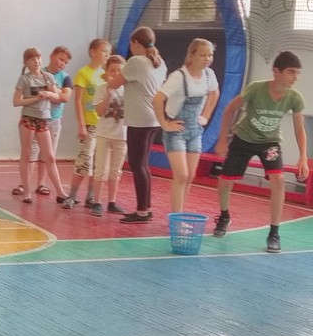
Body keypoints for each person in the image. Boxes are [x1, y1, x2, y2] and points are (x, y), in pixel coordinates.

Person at [212, 51, 308, 253]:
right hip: (243, 138)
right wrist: (221, 140)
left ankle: (274, 232)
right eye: (291, 72)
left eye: (297, 73)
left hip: (269, 143)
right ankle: (224, 215)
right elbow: (229, 109)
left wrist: (303, 158)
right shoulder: (256, 89)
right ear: (276, 72)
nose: (295, 77)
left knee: (278, 180)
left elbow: (300, 129)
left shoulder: (294, 97)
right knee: (225, 181)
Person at [108, 26, 167, 223]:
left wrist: (107, 77)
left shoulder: (136, 61)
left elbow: (115, 83)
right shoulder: (160, 63)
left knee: (136, 164)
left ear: (135, 43)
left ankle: (142, 211)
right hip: (153, 118)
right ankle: (146, 208)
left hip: (140, 119)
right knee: (143, 164)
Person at [153, 39, 220, 213]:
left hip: (195, 131)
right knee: (181, 175)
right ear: (191, 55)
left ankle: (180, 213)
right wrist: (164, 124)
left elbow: (214, 93)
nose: (207, 59)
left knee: (190, 176)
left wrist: (206, 116)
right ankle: (175, 216)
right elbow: (158, 99)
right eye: (203, 55)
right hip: (177, 131)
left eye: (210, 55)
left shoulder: (209, 75)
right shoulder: (179, 76)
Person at [11, 46, 73, 197]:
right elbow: (16, 102)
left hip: (44, 120)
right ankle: (26, 190)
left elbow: (59, 97)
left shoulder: (48, 77)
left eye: (38, 58)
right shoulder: (24, 79)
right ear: (26, 62)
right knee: (27, 154)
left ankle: (60, 192)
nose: (36, 61)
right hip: (29, 119)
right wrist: (35, 98)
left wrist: (49, 94)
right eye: (32, 59)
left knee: (49, 156)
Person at [63, 39, 112, 210]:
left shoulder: (106, 74)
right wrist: (81, 125)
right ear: (92, 52)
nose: (107, 55)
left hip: (104, 126)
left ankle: (90, 197)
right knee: (84, 160)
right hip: (90, 124)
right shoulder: (83, 73)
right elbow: (78, 101)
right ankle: (72, 195)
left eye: (109, 53)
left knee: (98, 163)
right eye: (104, 51)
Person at [89, 55, 127, 217]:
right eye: (112, 70)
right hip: (104, 134)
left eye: (119, 71)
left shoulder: (128, 90)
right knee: (100, 170)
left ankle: (112, 202)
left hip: (122, 135)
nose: (116, 74)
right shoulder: (101, 89)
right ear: (106, 71)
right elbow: (100, 112)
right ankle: (97, 202)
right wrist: (109, 95)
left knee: (116, 171)